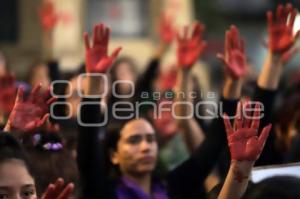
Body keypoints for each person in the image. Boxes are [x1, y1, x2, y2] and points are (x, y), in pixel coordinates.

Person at [77, 22, 272, 199]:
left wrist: (233, 82)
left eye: (150, 139)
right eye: (134, 140)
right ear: (114, 155)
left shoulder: (174, 186)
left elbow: (212, 143)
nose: (146, 147)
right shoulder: (103, 192)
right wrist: (94, 80)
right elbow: (87, 143)